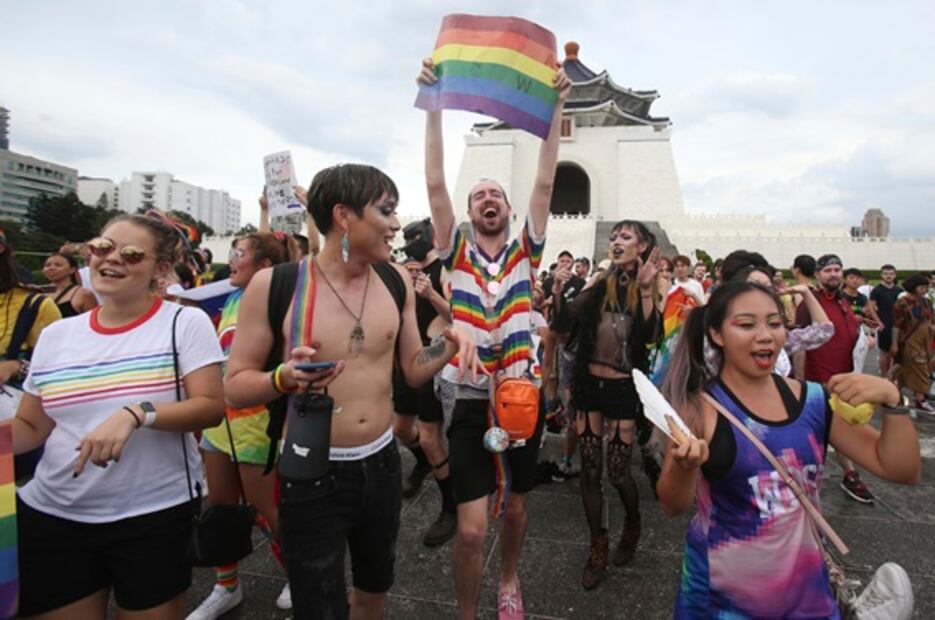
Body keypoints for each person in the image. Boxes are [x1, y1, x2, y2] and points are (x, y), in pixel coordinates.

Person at [224, 163, 477, 620]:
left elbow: (412, 370)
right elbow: (236, 387)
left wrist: (450, 344)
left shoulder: (395, 280)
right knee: (317, 602)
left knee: (374, 590)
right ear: (343, 216)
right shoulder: (277, 284)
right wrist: (282, 378)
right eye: (386, 211)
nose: (397, 224)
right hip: (311, 469)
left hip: (381, 465)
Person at [658, 280, 920, 619]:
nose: (765, 335)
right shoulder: (699, 409)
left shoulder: (814, 400)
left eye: (775, 323)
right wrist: (684, 466)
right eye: (746, 325)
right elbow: (672, 504)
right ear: (716, 334)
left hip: (808, 596)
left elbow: (900, 468)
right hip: (720, 601)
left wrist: (893, 401)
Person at [9, 214, 226, 618]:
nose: (111, 259)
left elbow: (211, 407)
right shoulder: (57, 335)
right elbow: (32, 426)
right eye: (103, 247)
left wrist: (138, 413)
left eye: (131, 254)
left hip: (152, 516)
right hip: (54, 514)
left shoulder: (183, 322)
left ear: (161, 268)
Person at [418, 56, 571, 619]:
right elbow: (435, 182)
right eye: (479, 194)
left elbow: (546, 180)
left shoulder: (527, 252)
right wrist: (433, 106)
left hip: (521, 396)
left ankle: (508, 579)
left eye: (496, 195)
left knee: (517, 510)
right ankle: (467, 610)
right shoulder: (455, 252)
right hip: (469, 397)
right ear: (469, 210)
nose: (488, 199)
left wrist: (557, 105)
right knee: (471, 529)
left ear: (507, 209)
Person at [187, 232, 299, 619]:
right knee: (220, 508)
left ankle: (299, 575)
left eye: (240, 253)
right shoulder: (231, 297)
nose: (232, 260)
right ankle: (226, 587)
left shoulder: (277, 300)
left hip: (256, 422)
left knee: (267, 510)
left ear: (265, 267)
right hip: (219, 421)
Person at [553, 220, 661, 589]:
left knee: (618, 472)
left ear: (642, 246)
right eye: (613, 237)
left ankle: (632, 524)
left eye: (625, 237)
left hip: (622, 390)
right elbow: (564, 321)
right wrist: (559, 289)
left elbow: (651, 335)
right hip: (589, 388)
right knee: (590, 470)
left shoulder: (647, 284)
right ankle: (597, 545)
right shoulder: (600, 283)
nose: (616, 241)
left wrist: (645, 289)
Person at [392, 217, 458, 548]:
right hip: (404, 359)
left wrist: (430, 293)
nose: (410, 244)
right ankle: (422, 464)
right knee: (401, 429)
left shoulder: (444, 270)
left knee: (432, 438)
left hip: (431, 358)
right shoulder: (403, 269)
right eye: (406, 239)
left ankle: (450, 506)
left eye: (415, 237)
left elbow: (457, 316)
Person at [794, 254, 874, 504]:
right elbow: (799, 344)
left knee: (841, 426)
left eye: (837, 269)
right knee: (818, 431)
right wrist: (800, 383)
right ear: (818, 274)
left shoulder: (843, 301)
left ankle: (848, 474)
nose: (833, 274)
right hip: (818, 381)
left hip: (844, 377)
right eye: (828, 270)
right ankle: (807, 478)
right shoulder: (810, 303)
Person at [892, 273, 934, 412]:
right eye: (921, 287)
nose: (924, 290)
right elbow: (896, 326)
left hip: (926, 340)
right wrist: (894, 343)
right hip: (909, 341)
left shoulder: (926, 302)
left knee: (906, 369)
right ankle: (920, 399)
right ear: (913, 287)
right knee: (919, 368)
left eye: (926, 287)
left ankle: (894, 393)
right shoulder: (902, 303)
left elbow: (932, 320)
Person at [871, 264, 904, 377]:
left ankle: (892, 376)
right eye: (885, 274)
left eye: (891, 274)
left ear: (895, 275)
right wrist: (878, 322)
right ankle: (883, 376)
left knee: (897, 352)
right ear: (881, 275)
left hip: (898, 325)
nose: (888, 276)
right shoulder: (876, 290)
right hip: (884, 325)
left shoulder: (899, 290)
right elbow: (871, 307)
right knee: (884, 352)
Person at [42, 252, 98, 318]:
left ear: (72, 269)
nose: (51, 268)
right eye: (47, 265)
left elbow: (92, 319)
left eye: (58, 265)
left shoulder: (83, 294)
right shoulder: (40, 292)